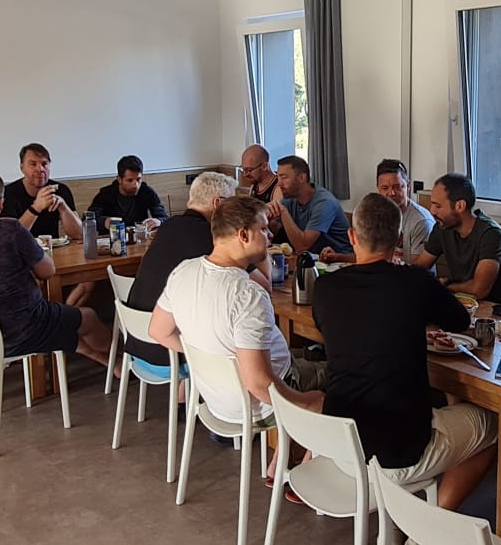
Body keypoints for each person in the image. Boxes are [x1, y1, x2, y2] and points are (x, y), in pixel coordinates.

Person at [312, 194, 497, 510]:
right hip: (398, 454)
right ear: (398, 239)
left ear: (352, 237)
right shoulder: (414, 282)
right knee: (491, 423)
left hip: (341, 446)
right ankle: (430, 522)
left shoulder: (325, 287)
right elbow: (460, 320)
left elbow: (347, 326)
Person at [148, 196, 328, 433]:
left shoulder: (183, 270)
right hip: (259, 406)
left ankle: (285, 452)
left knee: (308, 353)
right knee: (342, 377)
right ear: (244, 235)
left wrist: (215, 354)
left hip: (215, 398)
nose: (270, 235)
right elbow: (259, 383)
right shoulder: (248, 294)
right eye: (263, 229)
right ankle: (298, 451)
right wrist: (305, 402)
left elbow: (158, 331)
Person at [0, 171, 113, 368]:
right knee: (87, 317)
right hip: (26, 330)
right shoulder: (10, 230)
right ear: (1, 203)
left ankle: (114, 364)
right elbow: (48, 272)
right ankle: (121, 356)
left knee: (63, 323)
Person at [120, 170, 239, 371]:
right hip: (168, 353)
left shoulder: (168, 226)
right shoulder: (209, 235)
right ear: (217, 203)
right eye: (232, 204)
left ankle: (186, 390)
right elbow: (261, 282)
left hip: (138, 346)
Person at [414, 172, 501, 302]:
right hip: (461, 303)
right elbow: (419, 267)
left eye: (438, 206)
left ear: (460, 206)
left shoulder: (491, 234)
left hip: (494, 308)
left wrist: (445, 286)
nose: (432, 211)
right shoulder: (442, 227)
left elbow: (479, 290)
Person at [321, 158, 432, 264]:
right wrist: (338, 257)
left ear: (408, 186)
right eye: (385, 188)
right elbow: (368, 258)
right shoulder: (376, 214)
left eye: (397, 187)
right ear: (378, 188)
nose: (391, 193)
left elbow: (417, 270)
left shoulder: (421, 221)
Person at [266, 154, 351, 255]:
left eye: (284, 177)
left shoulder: (324, 203)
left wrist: (283, 212)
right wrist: (270, 222)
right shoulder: (290, 199)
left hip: (338, 260)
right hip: (312, 258)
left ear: (301, 178)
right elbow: (274, 228)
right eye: (278, 177)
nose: (279, 183)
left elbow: (302, 247)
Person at [0, 142, 85, 243]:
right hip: (21, 250)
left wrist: (63, 208)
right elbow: (11, 238)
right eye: (33, 164)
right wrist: (36, 207)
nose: (40, 169)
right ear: (22, 167)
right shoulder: (8, 193)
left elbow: (79, 234)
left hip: (53, 248)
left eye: (44, 164)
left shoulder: (60, 190)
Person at [89, 154, 169, 227]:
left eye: (138, 179)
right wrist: (104, 222)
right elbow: (88, 218)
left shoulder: (147, 192)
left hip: (139, 235)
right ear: (119, 179)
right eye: (130, 180)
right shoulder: (105, 194)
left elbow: (164, 217)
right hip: (113, 236)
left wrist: (158, 221)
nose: (135, 185)